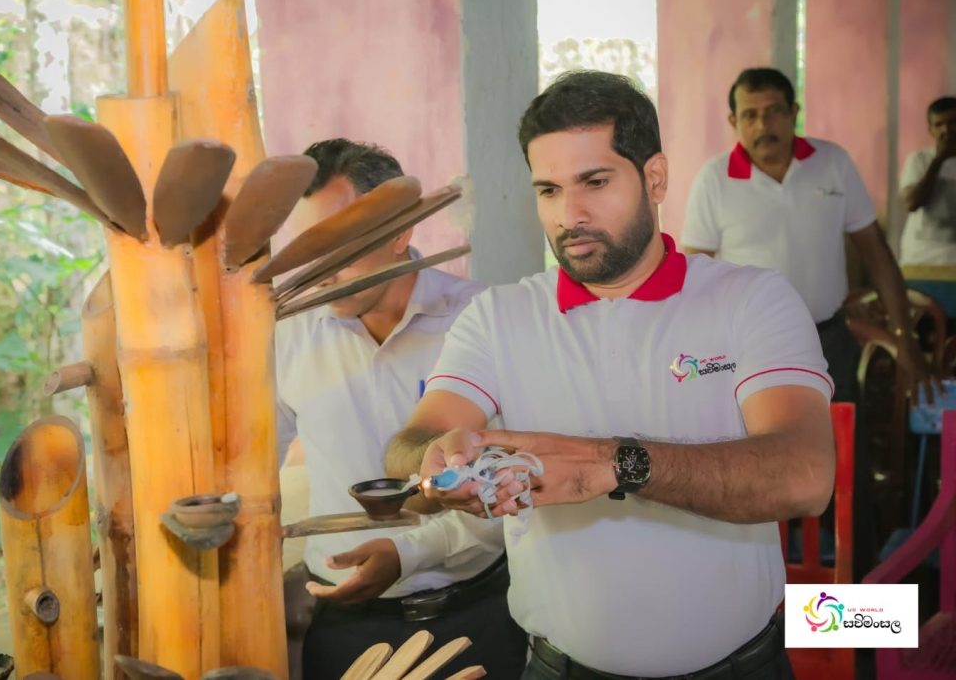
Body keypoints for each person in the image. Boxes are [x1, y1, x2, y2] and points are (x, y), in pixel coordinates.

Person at [384, 70, 834, 679]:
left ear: (655, 178)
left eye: (595, 182)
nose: (570, 214)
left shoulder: (751, 300)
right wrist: (438, 460)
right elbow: (408, 447)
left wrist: (615, 464)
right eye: (548, 190)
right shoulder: (499, 317)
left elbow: (805, 475)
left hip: (740, 668)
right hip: (558, 669)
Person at [274, 138, 527, 680]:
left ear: (401, 232)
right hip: (343, 628)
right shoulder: (286, 334)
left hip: (473, 616)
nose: (321, 270)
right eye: (309, 246)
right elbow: (248, 474)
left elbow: (513, 483)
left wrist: (408, 553)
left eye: (340, 243)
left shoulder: (480, 320)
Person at [681, 67, 937, 405]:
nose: (763, 125)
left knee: (838, 434)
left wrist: (904, 334)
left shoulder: (833, 163)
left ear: (793, 112)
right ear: (734, 121)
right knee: (756, 436)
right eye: (750, 115)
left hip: (827, 340)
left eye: (774, 111)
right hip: (747, 347)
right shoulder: (714, 179)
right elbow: (696, 272)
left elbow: (875, 250)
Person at [899, 96, 956, 266]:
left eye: (953, 122)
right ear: (930, 130)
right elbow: (911, 203)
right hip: (921, 256)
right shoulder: (918, 160)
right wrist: (938, 160)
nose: (946, 130)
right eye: (939, 125)